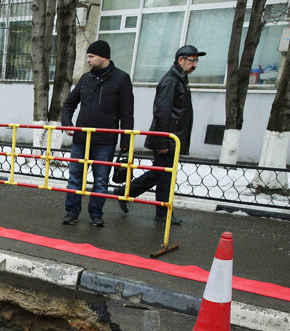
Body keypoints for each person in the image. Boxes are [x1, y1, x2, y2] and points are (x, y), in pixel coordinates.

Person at [114, 45, 205, 225]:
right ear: (181, 60)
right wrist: (163, 140)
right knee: (165, 176)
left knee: (160, 174)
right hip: (167, 138)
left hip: (172, 137)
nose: (195, 64)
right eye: (192, 60)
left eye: (197, 61)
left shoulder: (180, 78)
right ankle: (162, 213)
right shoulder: (171, 81)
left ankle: (125, 193)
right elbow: (162, 112)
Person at [61, 40, 134, 227]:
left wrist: (126, 140)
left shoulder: (121, 79)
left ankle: (96, 214)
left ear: (104, 57)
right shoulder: (86, 79)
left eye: (91, 56)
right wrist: (67, 123)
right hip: (81, 139)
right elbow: (69, 103)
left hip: (105, 141)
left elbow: (127, 113)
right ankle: (72, 213)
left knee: (101, 180)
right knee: (75, 177)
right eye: (88, 56)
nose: (88, 60)